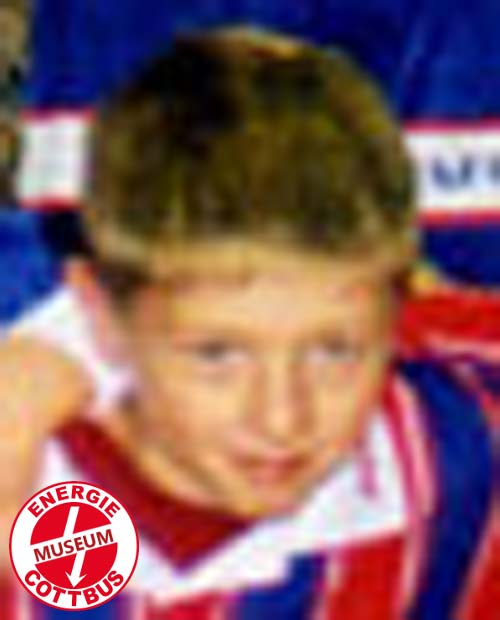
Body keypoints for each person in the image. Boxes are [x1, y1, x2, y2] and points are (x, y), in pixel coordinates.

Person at [0, 29, 493, 619]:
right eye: (216, 354)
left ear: (395, 310)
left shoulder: (452, 444)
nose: (281, 419)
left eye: (335, 352)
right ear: (98, 314)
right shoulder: (23, 511)